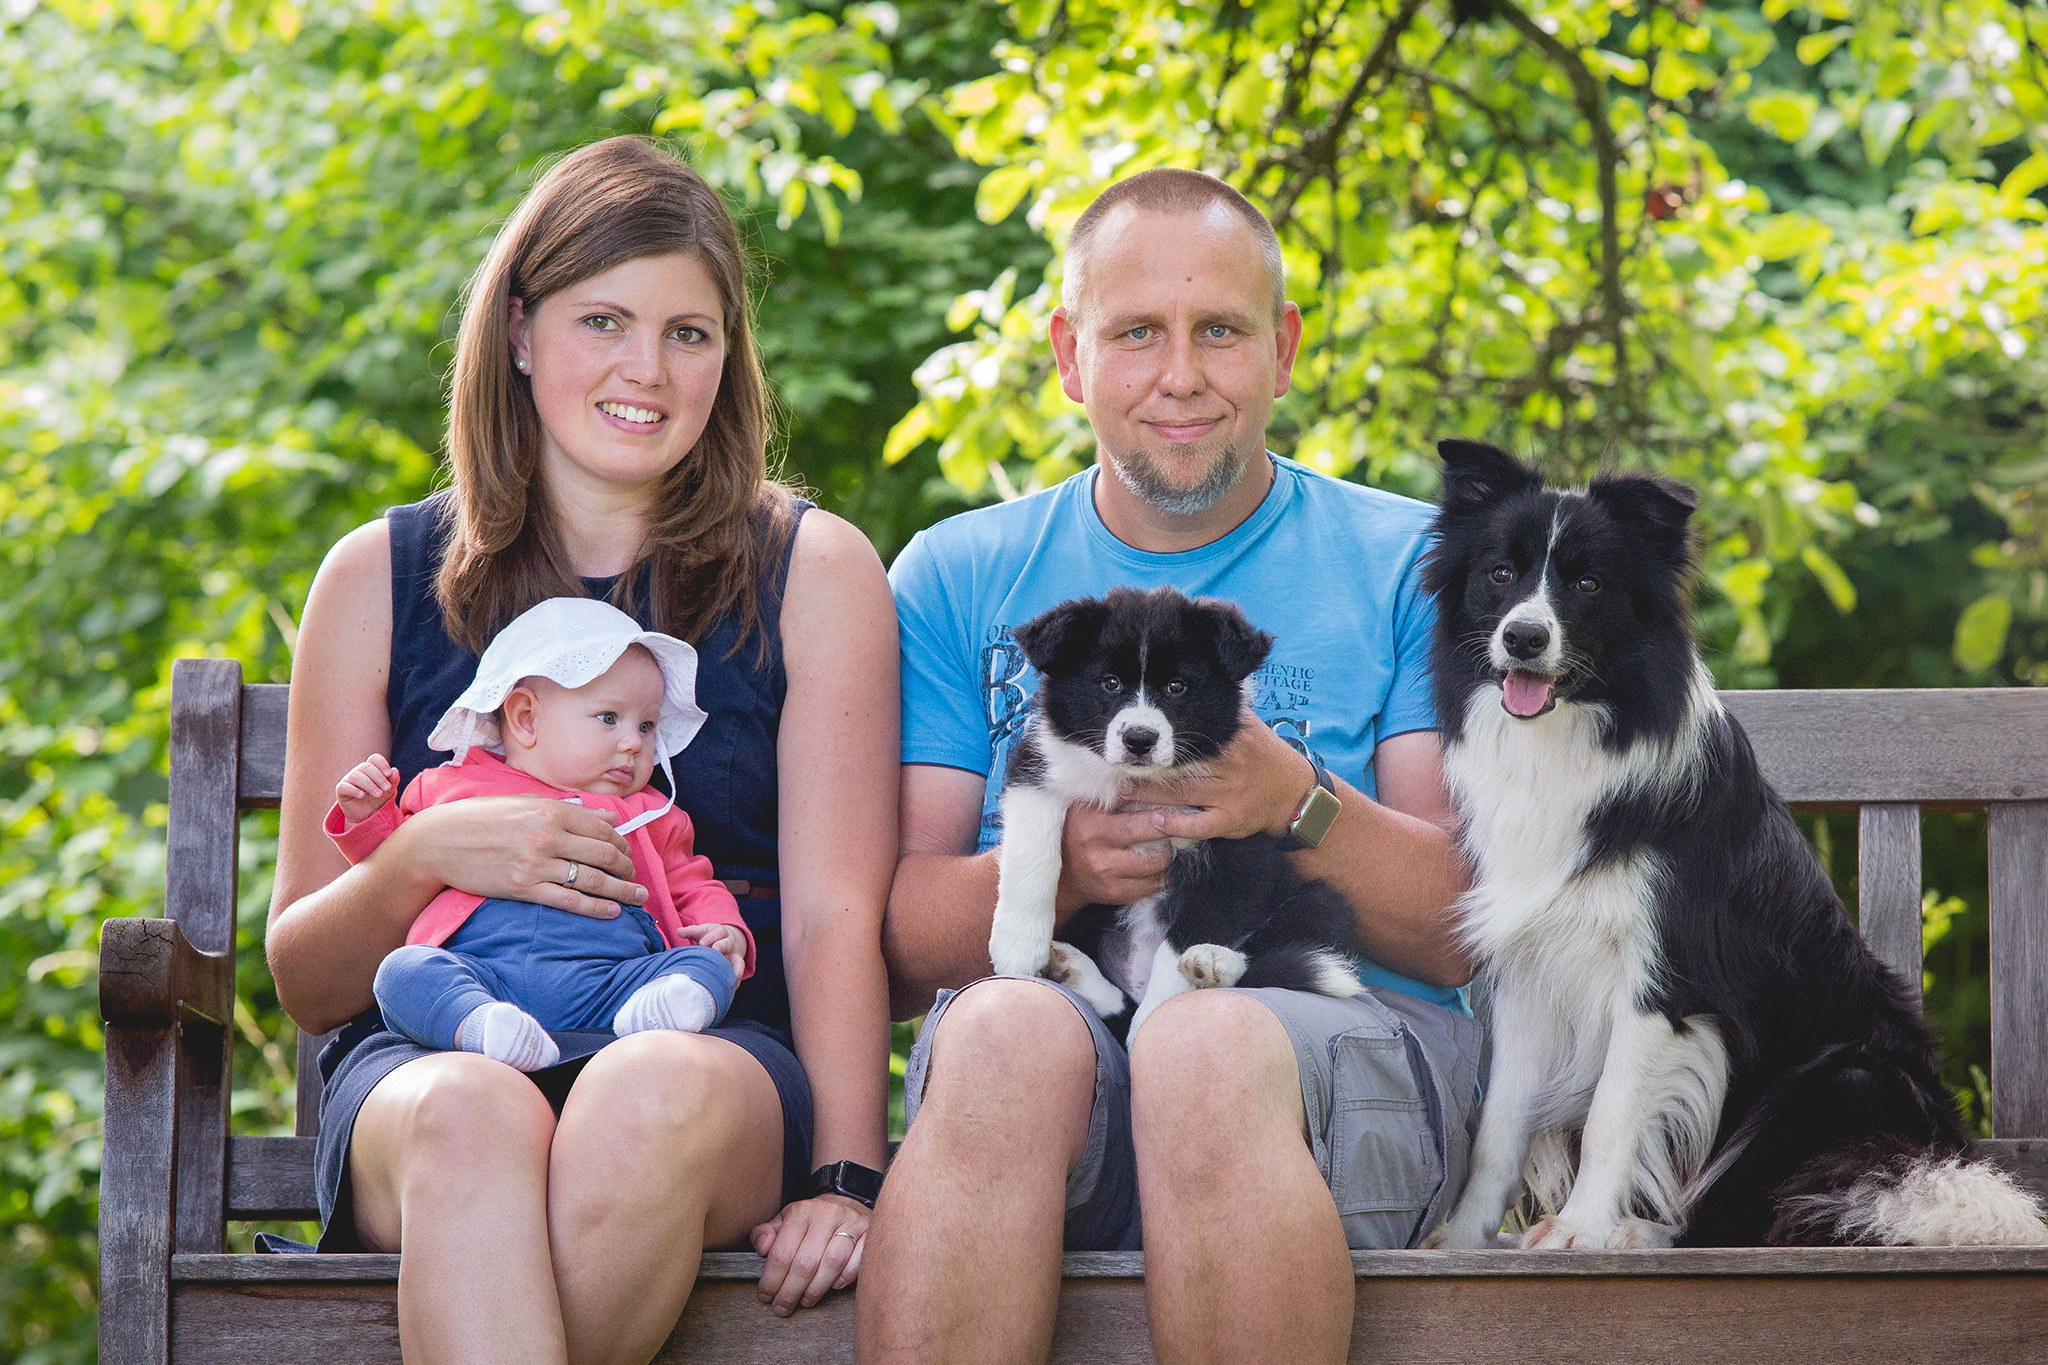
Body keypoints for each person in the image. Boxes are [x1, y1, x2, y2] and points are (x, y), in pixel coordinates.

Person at [266, 136, 897, 1364]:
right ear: (517, 328)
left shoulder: (810, 572)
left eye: (689, 332)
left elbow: (829, 917)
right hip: (429, 1056)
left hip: (706, 1055)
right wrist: (423, 858)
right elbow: (308, 981)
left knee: (645, 1085)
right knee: (470, 1113)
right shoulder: (378, 577)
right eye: (602, 319)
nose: (645, 370)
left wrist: (849, 1176)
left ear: (730, 353)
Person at [858, 168, 1481, 1364]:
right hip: (1051, 1096)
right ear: (1068, 355)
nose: (1180, 374)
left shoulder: (1413, 566)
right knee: (995, 1033)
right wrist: (1075, 869)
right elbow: (896, 937)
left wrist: (1291, 802)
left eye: (1220, 331)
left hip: (1340, 1087)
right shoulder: (955, 575)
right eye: (1135, 332)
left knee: (1200, 1035)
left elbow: (1463, 932)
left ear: (1284, 347)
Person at [331, 600, 754, 1072]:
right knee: (401, 973)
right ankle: (483, 1025)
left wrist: (723, 929)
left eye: (647, 725)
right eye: (609, 718)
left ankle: (657, 1013)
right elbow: (391, 863)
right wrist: (369, 815)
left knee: (708, 969)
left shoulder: (651, 814)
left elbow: (692, 882)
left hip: (613, 983)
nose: (634, 742)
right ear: (526, 718)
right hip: (485, 975)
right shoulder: (452, 787)